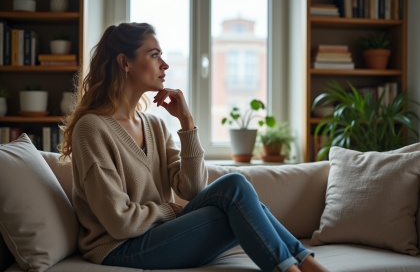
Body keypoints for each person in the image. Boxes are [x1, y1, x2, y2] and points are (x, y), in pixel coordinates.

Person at [58, 22, 330, 272]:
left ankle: (302, 265)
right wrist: (166, 210)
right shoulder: (92, 128)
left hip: (161, 234)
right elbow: (119, 223)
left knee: (238, 193)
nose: (164, 65)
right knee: (241, 201)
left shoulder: (154, 124)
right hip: (119, 249)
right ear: (124, 62)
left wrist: (186, 124)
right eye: (154, 55)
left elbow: (193, 189)